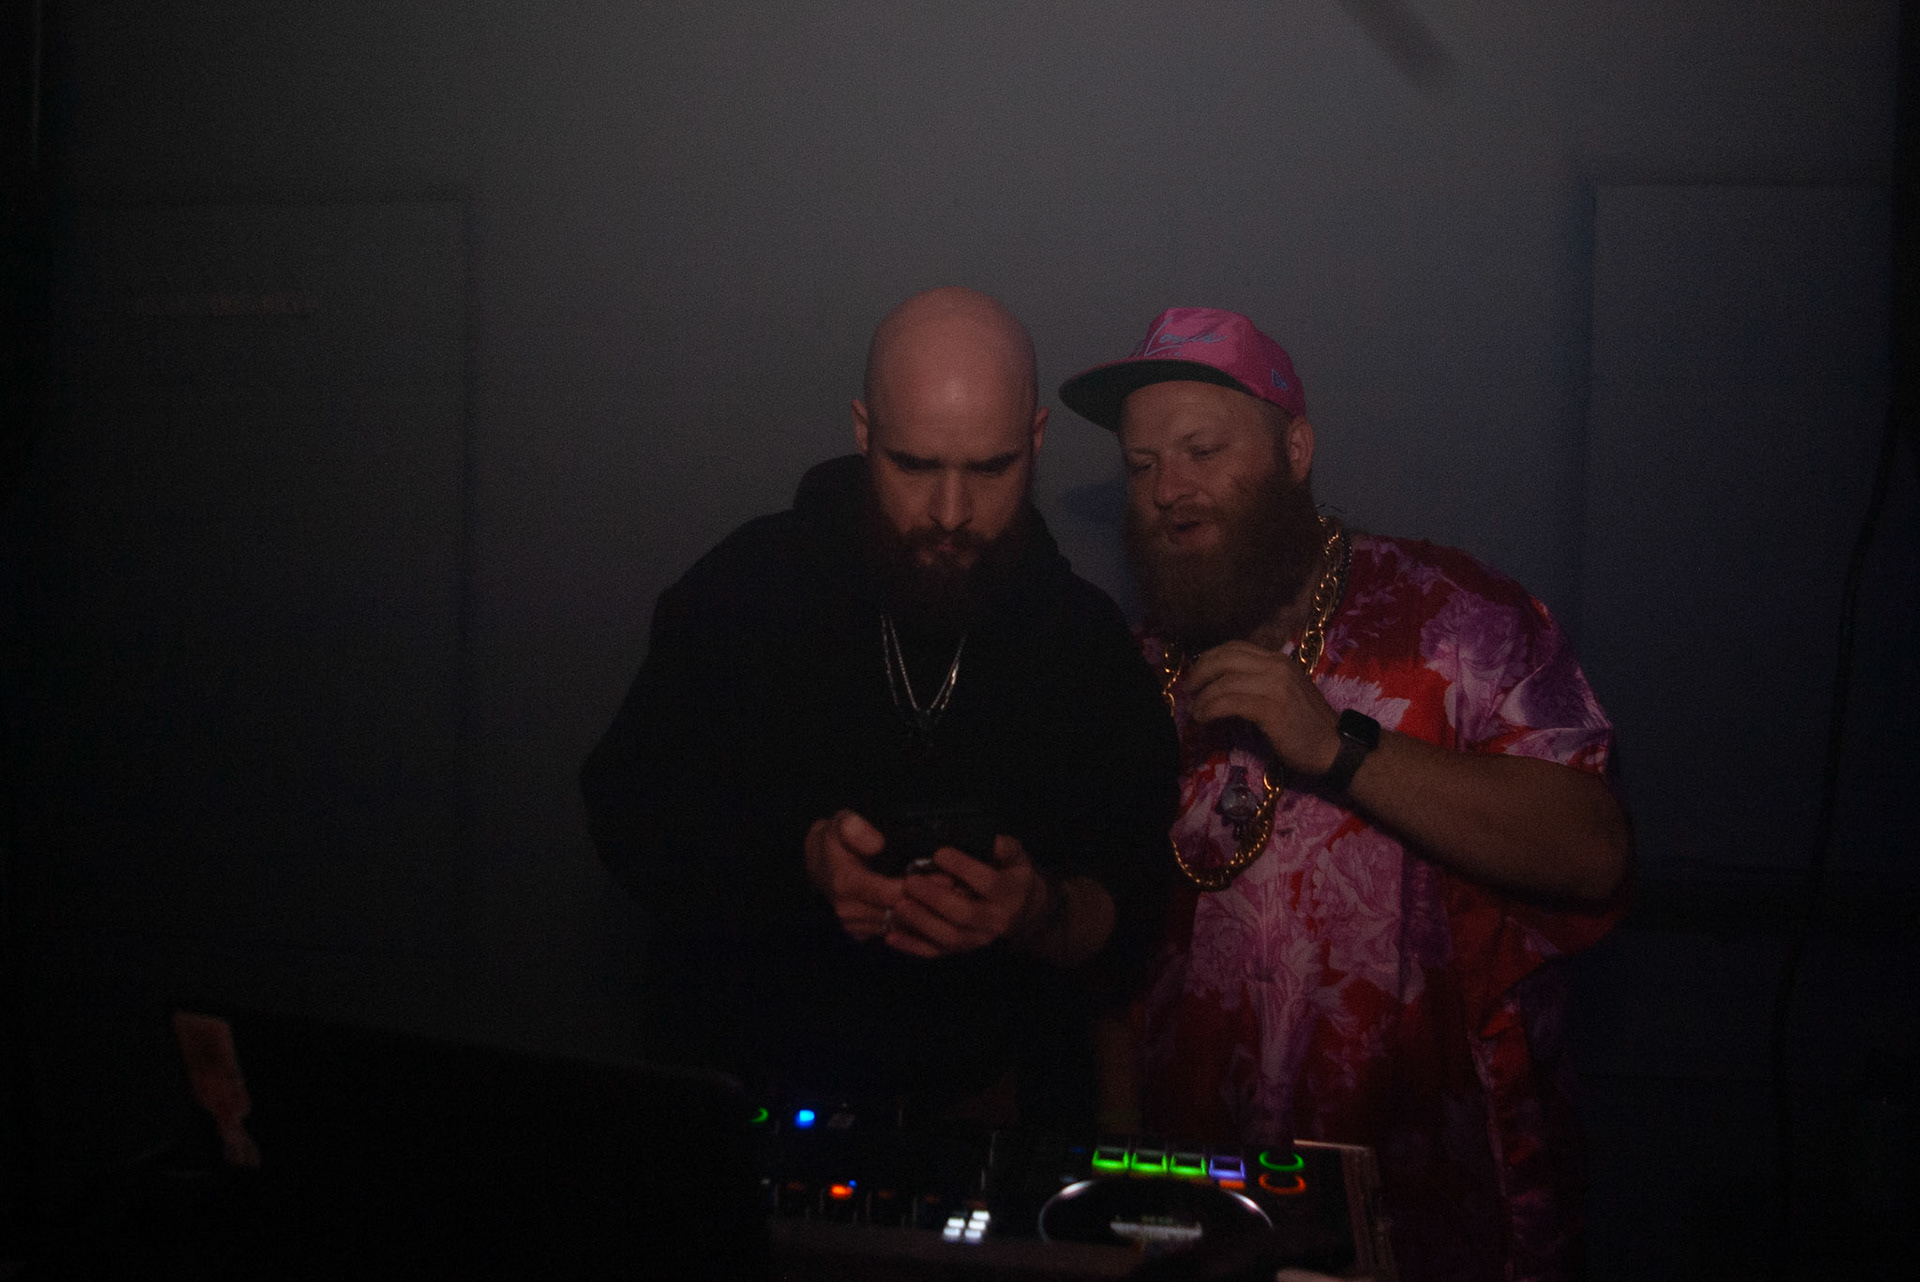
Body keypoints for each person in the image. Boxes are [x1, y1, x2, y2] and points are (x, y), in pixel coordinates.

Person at [1059, 308, 1632, 1281]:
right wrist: (1119, 1155)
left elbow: (1593, 850)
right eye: (1142, 463)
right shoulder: (1135, 666)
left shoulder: (1458, 623)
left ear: (1296, 450)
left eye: (1202, 450)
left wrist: (1341, 747)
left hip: (1436, 1212)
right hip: (1200, 1214)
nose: (1167, 489)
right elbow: (1113, 951)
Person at [581, 287, 1178, 1127]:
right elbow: (626, 808)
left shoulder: (1082, 640)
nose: (951, 513)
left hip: (998, 1120)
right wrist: (800, 863)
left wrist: (1041, 912)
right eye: (915, 465)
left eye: (992, 468)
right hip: (753, 1103)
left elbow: (1138, 892)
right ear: (864, 433)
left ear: (1036, 439)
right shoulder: (747, 589)